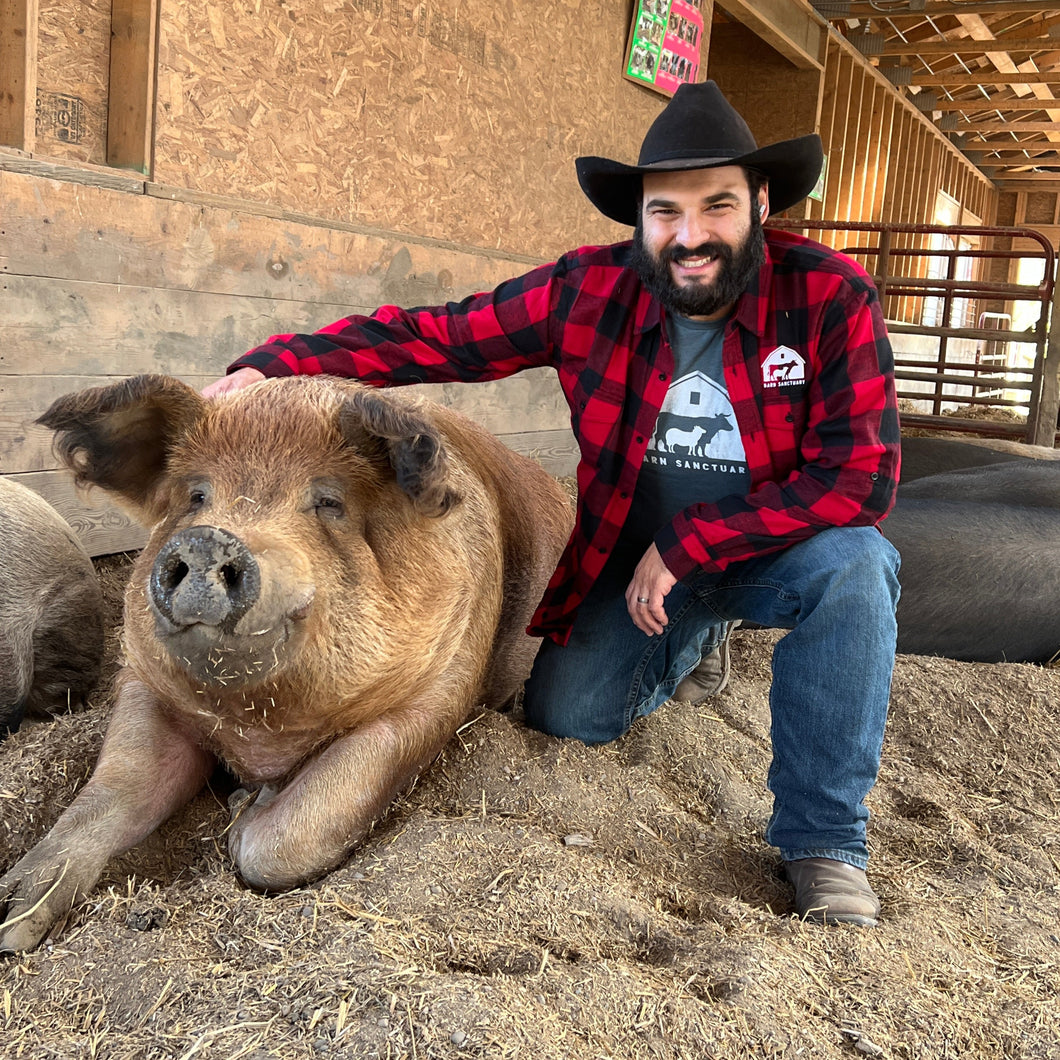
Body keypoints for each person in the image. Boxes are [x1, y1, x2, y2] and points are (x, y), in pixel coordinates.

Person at [205, 81, 901, 927]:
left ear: (760, 203)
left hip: (766, 547)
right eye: (665, 211)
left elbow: (861, 479)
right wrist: (275, 363)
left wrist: (692, 543)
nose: (690, 236)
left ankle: (825, 845)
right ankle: (696, 637)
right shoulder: (589, 292)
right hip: (634, 552)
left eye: (717, 206)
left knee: (861, 567)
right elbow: (436, 335)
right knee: (565, 717)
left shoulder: (831, 297)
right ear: (639, 219)